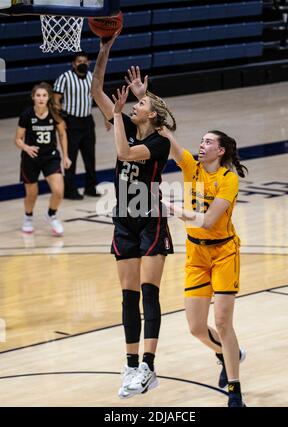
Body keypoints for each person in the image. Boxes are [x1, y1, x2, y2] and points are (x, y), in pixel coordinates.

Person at [91, 36, 176, 399]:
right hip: (124, 218)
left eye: (140, 104)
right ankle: (128, 366)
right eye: (134, 104)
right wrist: (104, 49)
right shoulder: (128, 120)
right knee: (128, 297)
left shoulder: (159, 142)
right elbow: (96, 89)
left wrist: (118, 114)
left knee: (148, 293)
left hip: (151, 218)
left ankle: (148, 368)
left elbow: (124, 152)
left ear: (151, 114)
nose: (133, 105)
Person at [159, 127, 248, 407]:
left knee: (222, 322)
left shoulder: (228, 179)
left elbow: (208, 221)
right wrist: (145, 101)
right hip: (196, 253)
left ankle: (235, 391)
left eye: (208, 142)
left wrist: (168, 207)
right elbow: (169, 140)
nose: (202, 145)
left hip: (223, 252)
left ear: (220, 151)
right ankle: (226, 353)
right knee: (197, 328)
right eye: (201, 140)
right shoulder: (191, 167)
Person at [15, 82, 71, 236]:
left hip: (50, 157)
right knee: (32, 194)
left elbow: (62, 134)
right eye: (38, 95)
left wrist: (65, 155)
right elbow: (18, 139)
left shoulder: (54, 112)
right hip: (31, 158)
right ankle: (28, 217)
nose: (41, 98)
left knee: (59, 191)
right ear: (33, 97)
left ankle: (51, 214)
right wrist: (26, 147)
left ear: (49, 97)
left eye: (44, 95)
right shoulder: (27, 114)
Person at [53, 51, 110, 200]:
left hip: (87, 121)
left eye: (85, 61)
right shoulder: (64, 78)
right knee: (70, 158)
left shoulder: (92, 78)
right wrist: (60, 120)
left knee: (90, 157)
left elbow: (99, 98)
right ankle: (69, 190)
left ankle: (90, 187)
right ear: (73, 64)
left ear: (88, 63)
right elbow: (55, 100)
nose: (82, 63)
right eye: (79, 61)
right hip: (71, 122)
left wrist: (106, 117)